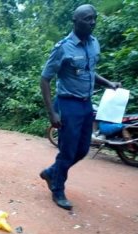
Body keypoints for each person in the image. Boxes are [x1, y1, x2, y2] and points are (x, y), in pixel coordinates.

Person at [39, 4, 121, 210]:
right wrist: (52, 113)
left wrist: (109, 84)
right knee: (67, 151)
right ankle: (57, 189)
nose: (92, 22)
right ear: (75, 21)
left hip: (86, 105)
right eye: (86, 19)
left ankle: (51, 172)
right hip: (68, 105)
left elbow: (89, 71)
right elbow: (45, 79)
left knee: (83, 149)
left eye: (94, 17)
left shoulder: (93, 44)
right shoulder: (63, 47)